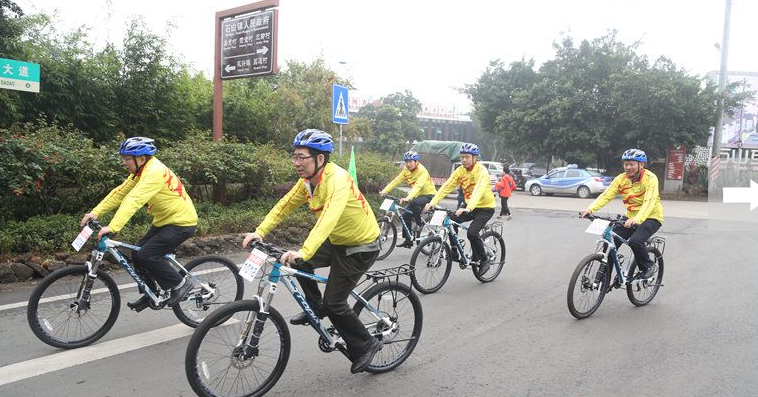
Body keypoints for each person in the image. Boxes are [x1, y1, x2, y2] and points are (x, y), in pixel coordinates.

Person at [242, 129, 383, 374]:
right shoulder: (307, 183)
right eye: (294, 156)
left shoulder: (336, 180)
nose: (296, 163)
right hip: (337, 240)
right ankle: (316, 308)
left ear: (320, 159)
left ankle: (367, 344)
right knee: (296, 264)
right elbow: (283, 206)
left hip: (360, 245)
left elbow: (327, 219)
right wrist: (260, 231)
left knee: (335, 302)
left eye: (301, 157)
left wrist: (304, 251)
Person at [79, 137, 198, 310]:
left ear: (141, 158)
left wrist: (113, 227)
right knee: (137, 254)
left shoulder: (154, 172)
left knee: (147, 255)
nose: (124, 162)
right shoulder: (140, 171)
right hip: (164, 221)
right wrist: (95, 212)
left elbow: (133, 200)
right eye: (124, 158)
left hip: (182, 223)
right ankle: (152, 292)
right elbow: (119, 193)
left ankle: (181, 284)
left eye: (127, 158)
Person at [580, 149, 664, 283]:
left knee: (635, 241)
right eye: (626, 164)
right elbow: (606, 196)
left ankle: (647, 267)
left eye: (631, 164)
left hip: (651, 217)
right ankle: (605, 278)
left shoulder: (650, 178)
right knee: (610, 242)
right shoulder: (621, 179)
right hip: (630, 218)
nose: (628, 167)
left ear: (641, 165)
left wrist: (637, 219)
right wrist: (590, 209)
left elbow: (649, 201)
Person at [424, 143, 495, 275]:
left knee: (472, 233)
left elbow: (478, 191)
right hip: (468, 206)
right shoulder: (460, 171)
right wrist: (432, 202)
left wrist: (468, 208)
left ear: (475, 158)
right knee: (450, 220)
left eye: (467, 157)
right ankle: (455, 250)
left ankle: (484, 259)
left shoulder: (481, 171)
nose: (463, 160)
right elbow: (446, 186)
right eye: (462, 157)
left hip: (485, 207)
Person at [379, 150, 437, 248]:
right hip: (418, 196)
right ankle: (408, 240)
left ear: (416, 162)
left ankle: (419, 224)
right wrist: (385, 191)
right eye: (406, 162)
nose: (408, 164)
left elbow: (418, 186)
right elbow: (396, 180)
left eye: (411, 162)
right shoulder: (406, 169)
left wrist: (408, 198)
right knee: (405, 216)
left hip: (429, 195)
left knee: (414, 203)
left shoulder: (422, 171)